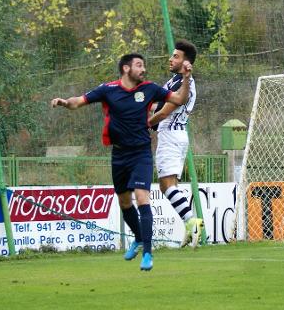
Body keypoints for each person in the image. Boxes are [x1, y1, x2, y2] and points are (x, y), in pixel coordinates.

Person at [50, 53, 192, 271]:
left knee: (142, 198)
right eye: (138, 65)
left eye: (143, 65)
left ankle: (147, 254)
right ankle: (138, 237)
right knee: (124, 202)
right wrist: (63, 102)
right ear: (126, 69)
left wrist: (186, 78)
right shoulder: (108, 90)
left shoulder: (150, 89)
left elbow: (180, 99)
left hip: (141, 154)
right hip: (119, 155)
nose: (143, 69)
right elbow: (78, 102)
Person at [148, 40, 203, 248]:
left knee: (166, 186)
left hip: (171, 134)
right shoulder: (174, 80)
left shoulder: (184, 83)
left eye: (176, 56)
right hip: (175, 135)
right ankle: (189, 225)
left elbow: (164, 112)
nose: (171, 59)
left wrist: (144, 124)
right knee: (172, 186)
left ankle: (192, 222)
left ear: (186, 62)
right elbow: (159, 104)